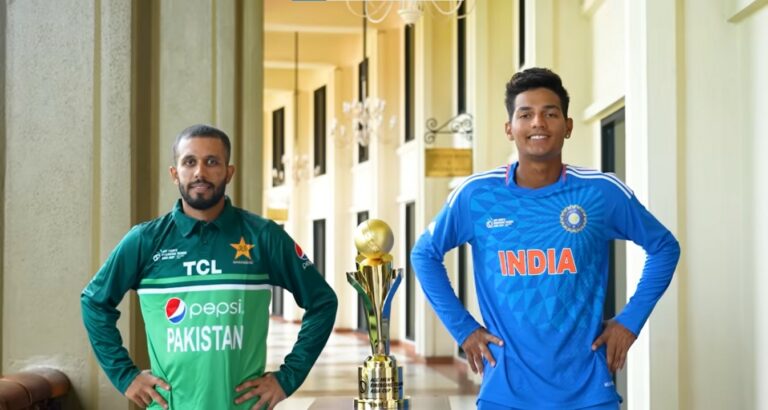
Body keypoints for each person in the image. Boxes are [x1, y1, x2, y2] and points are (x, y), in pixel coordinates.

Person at [410, 68, 680, 409]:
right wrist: (463, 328)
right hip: (504, 393)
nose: (538, 122)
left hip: (588, 393)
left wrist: (630, 321)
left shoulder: (600, 192)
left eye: (550, 113)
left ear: (568, 126)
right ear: (509, 128)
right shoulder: (477, 195)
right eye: (525, 114)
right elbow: (424, 254)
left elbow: (664, 247)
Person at [81, 124, 338, 410]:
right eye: (189, 162)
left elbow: (322, 302)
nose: (200, 172)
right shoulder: (145, 240)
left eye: (212, 162)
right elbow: (94, 302)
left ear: (229, 172)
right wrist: (124, 376)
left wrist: (288, 378)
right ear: (174, 173)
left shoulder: (263, 236)